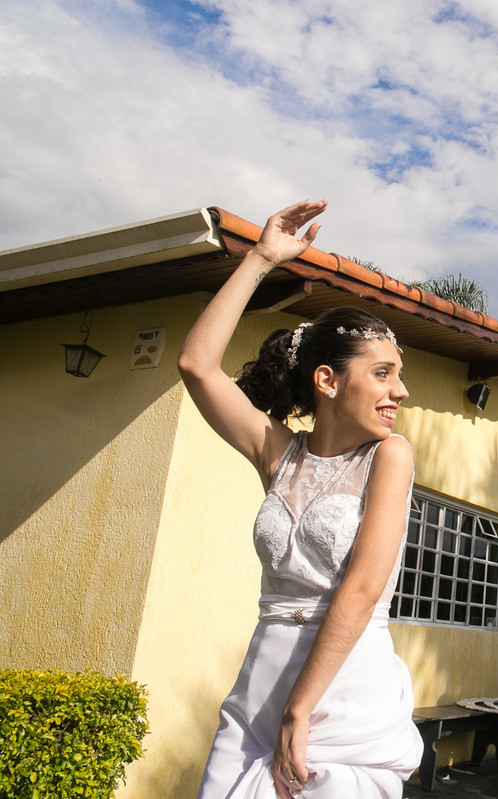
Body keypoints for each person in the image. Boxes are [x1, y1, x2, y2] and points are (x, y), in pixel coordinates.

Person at [179, 200, 422, 798]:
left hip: (341, 687)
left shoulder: (391, 457)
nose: (402, 390)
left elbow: (364, 589)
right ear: (328, 381)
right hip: (260, 680)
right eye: (385, 374)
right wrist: (260, 259)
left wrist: (300, 709)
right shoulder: (279, 454)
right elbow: (196, 364)